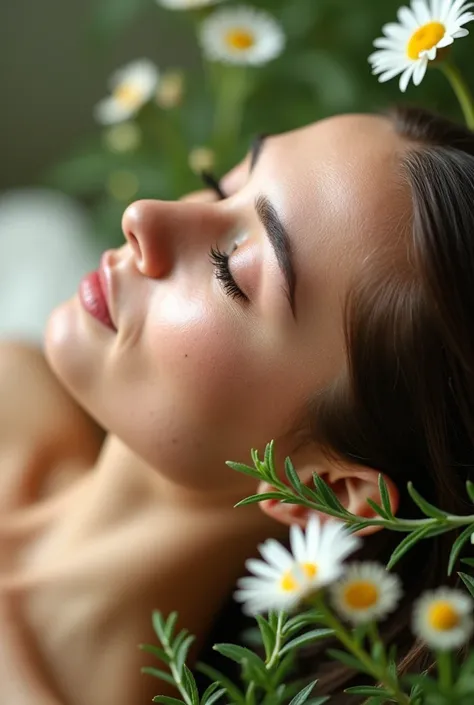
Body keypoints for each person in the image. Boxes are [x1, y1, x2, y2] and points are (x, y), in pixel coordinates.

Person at [1, 104, 473, 705]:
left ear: (329, 489)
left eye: (230, 272)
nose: (144, 216)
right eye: (220, 187)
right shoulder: (13, 388)